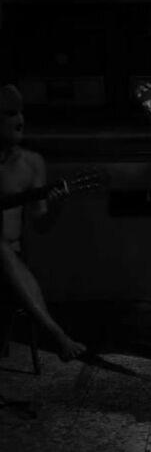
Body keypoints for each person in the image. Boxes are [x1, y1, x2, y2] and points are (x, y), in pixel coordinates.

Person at [0, 84, 86, 362]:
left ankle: (55, 333)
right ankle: (56, 334)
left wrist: (57, 206)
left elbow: (41, 225)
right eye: (9, 113)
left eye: (21, 112)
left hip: (11, 260)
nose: (20, 120)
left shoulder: (31, 163)